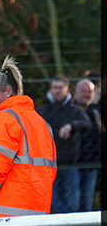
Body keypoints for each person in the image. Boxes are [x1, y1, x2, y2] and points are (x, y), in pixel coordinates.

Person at [0, 56, 56, 219]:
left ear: (8, 91)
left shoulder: (4, 119)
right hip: (39, 208)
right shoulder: (42, 123)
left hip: (6, 210)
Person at [35, 76, 90, 214]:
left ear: (67, 90)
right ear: (50, 90)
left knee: (73, 203)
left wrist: (72, 125)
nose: (57, 91)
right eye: (55, 88)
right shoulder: (42, 111)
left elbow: (87, 124)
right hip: (48, 164)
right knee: (51, 203)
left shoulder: (75, 110)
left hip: (70, 163)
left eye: (60, 88)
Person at [74, 78, 103, 212]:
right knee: (72, 202)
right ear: (76, 92)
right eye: (83, 91)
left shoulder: (95, 112)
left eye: (89, 92)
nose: (86, 95)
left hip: (91, 165)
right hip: (72, 165)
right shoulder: (69, 110)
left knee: (87, 203)